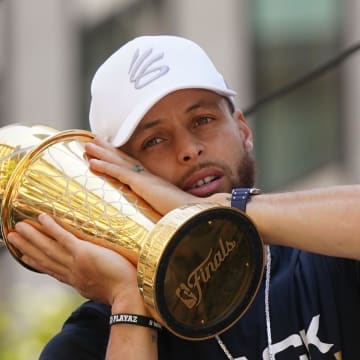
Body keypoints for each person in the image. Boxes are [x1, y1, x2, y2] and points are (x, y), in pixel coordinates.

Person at [7, 35, 360, 360]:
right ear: (116, 178)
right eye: (154, 141)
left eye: (203, 119)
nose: (189, 149)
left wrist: (214, 213)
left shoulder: (324, 254)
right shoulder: (90, 340)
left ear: (242, 129)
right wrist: (129, 298)